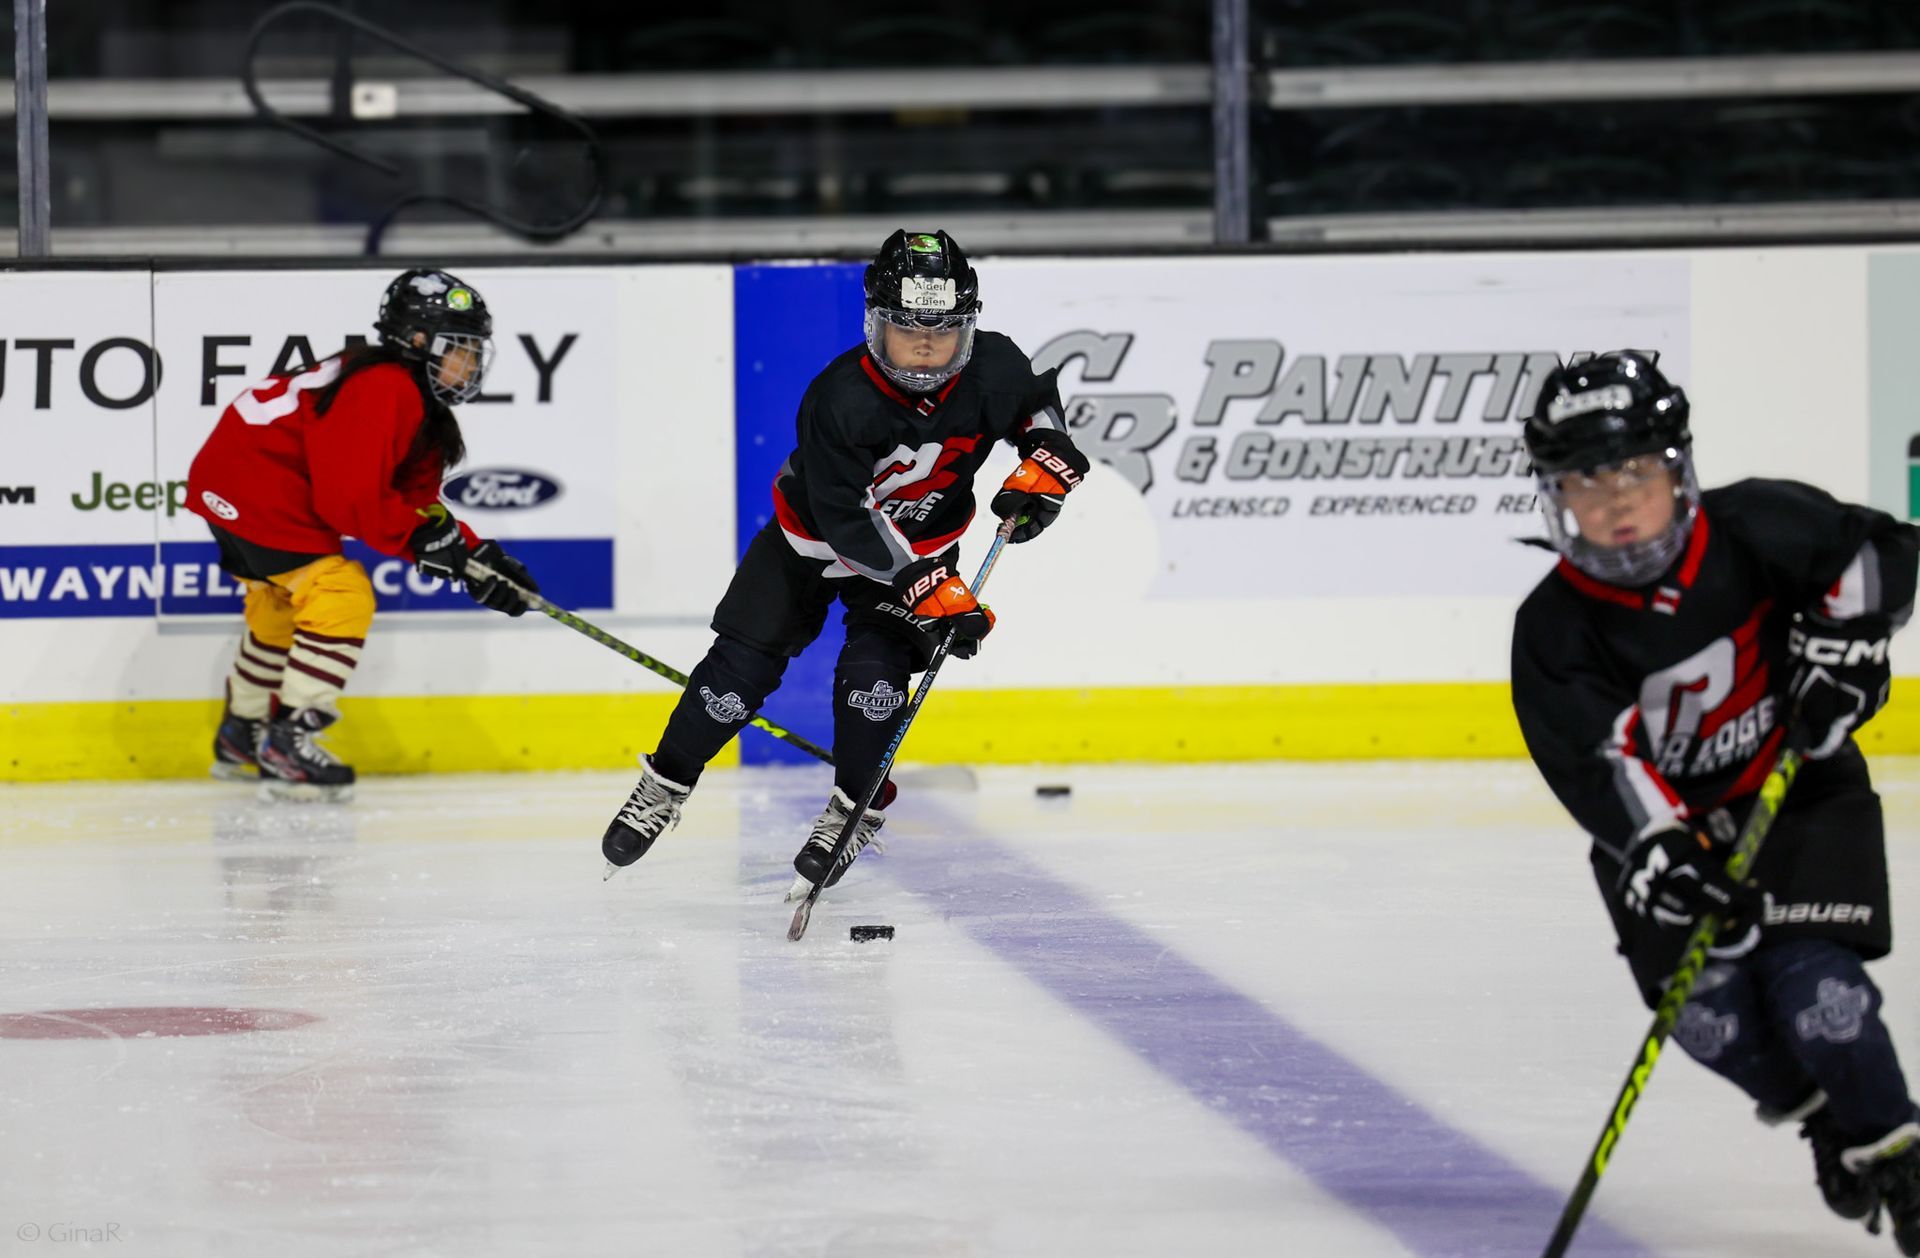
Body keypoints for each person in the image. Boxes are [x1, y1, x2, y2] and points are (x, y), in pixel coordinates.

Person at [1511, 350, 1920, 1252]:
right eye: (1587, 480)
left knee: (1823, 997)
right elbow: (1596, 763)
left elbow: (1880, 553)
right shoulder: (1554, 628)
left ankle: (1899, 1156)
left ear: (1677, 469)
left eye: (1635, 472)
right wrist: (1664, 849)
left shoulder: (1759, 525)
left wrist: (1845, 651)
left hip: (1797, 794)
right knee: (1714, 1022)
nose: (1616, 499)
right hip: (1669, 836)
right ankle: (1829, 1125)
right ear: (1555, 496)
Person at [599, 228, 1089, 893]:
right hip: (810, 547)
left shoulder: (993, 367)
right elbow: (846, 517)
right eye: (907, 329)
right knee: (733, 678)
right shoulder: (837, 398)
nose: (924, 345)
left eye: (942, 330)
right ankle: (665, 784)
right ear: (873, 324)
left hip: (919, 555)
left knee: (873, 681)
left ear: (969, 327)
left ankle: (853, 810)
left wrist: (1046, 461)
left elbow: (1036, 410)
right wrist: (925, 585)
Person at [187, 268, 539, 801]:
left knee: (281, 605)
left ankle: (244, 731)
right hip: (260, 489)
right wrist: (423, 543)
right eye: (460, 347)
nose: (470, 362)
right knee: (341, 596)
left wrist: (473, 557)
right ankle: (288, 738)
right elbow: (350, 502)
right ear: (418, 341)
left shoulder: (409, 397)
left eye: (473, 349)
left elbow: (414, 503)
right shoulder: (384, 387)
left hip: (234, 485)